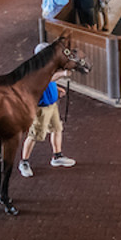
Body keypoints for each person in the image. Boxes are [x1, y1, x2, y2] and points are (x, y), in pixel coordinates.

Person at [19, 42, 75, 177]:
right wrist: (64, 73)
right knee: (34, 135)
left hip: (52, 105)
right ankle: (24, 162)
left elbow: (51, 82)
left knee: (57, 129)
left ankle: (57, 156)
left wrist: (57, 90)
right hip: (41, 109)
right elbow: (48, 78)